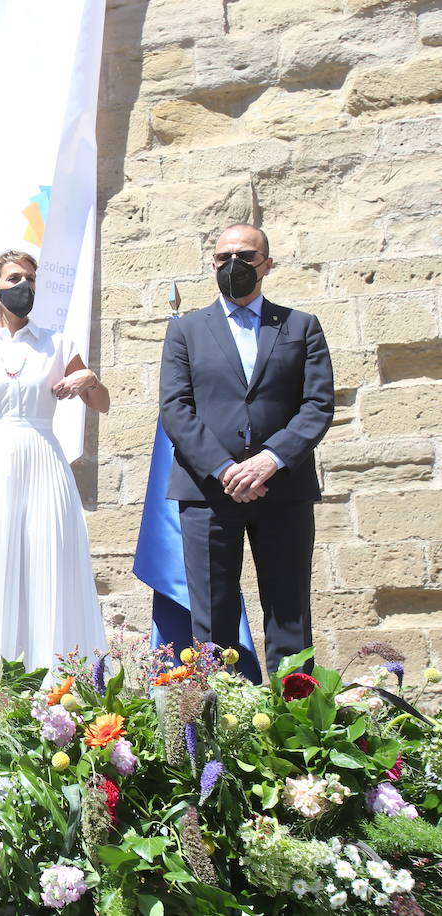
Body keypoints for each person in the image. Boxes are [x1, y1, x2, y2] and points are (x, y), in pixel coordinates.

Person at [159, 224, 334, 677]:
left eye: (245, 256)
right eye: (223, 257)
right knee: (211, 622)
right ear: (213, 264)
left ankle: (292, 730)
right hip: (209, 493)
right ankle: (217, 731)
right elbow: (176, 409)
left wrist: (268, 461)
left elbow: (317, 405)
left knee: (289, 612)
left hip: (283, 491)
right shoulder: (187, 331)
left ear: (267, 265)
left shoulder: (301, 326)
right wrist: (224, 469)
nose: (232, 265)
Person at [0, 250, 110, 685]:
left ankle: (59, 683)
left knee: (50, 561)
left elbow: (101, 403)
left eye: (30, 278)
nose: (25, 285)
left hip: (44, 462)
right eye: (14, 278)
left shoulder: (57, 342)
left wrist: (90, 380)